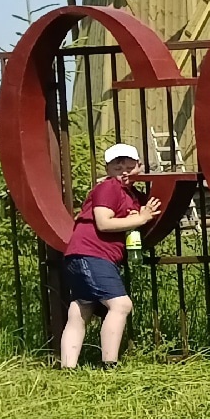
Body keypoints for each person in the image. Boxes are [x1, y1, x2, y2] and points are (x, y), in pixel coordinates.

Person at [59, 142, 160, 371]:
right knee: (121, 305)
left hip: (82, 254)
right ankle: (109, 366)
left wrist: (142, 214)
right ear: (107, 169)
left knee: (81, 307)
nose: (123, 170)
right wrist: (141, 219)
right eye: (117, 165)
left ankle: (68, 368)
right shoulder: (108, 188)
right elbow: (104, 223)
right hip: (92, 253)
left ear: (139, 167)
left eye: (129, 165)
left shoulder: (132, 195)